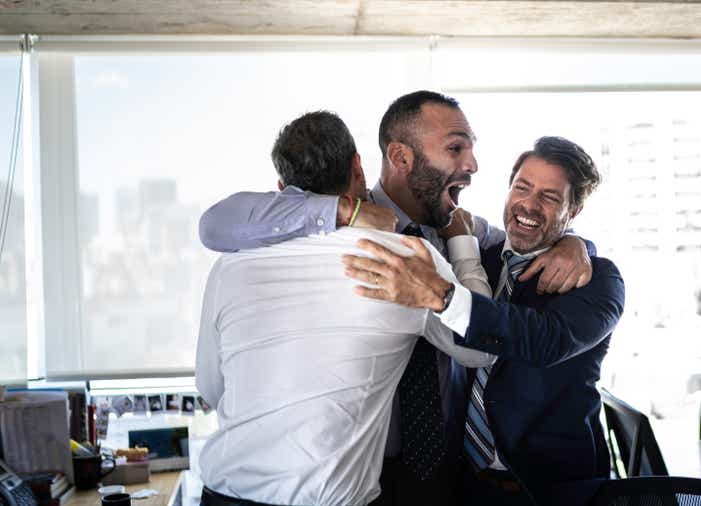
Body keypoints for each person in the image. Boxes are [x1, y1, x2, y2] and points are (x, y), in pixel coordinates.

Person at [198, 91, 594, 506]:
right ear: (395, 158)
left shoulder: (465, 231)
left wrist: (575, 242)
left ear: (283, 188)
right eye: (456, 147)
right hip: (355, 482)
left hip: (438, 474)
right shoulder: (402, 255)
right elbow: (479, 350)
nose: (473, 164)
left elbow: (212, 387)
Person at [343, 136, 626, 505]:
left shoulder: (598, 280)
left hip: (553, 492)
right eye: (522, 187)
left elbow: (541, 340)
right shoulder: (480, 260)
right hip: (466, 487)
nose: (529, 204)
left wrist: (444, 295)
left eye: (550, 197)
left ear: (573, 211)